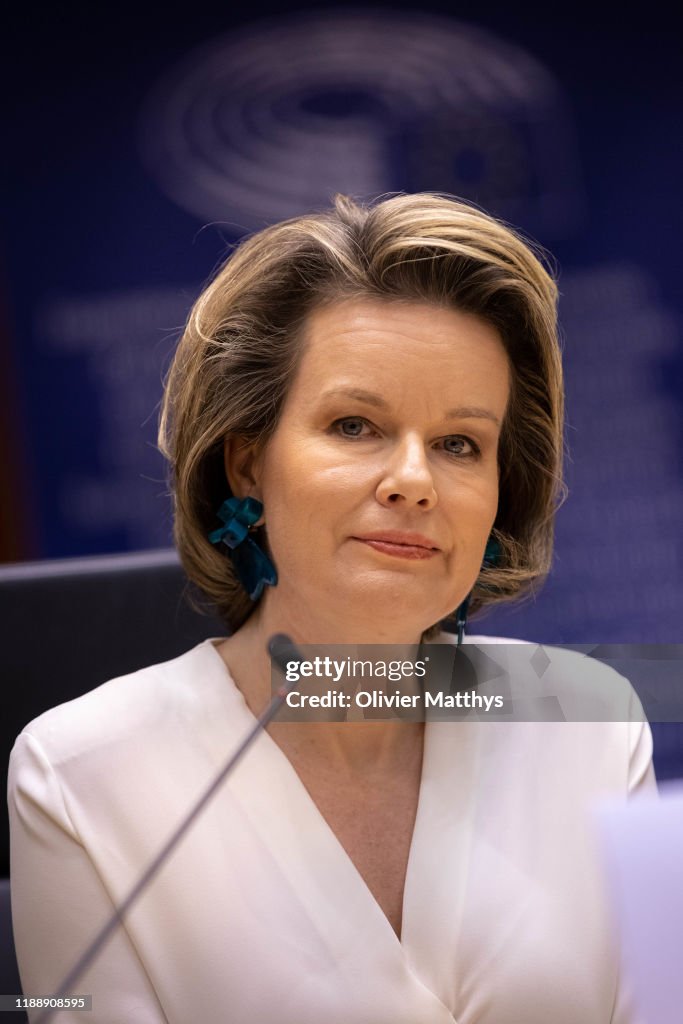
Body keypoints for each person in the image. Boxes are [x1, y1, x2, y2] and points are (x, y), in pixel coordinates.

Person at [8, 193, 655, 1023]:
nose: (414, 480)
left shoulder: (595, 723)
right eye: (354, 426)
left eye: (460, 444)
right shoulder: (79, 774)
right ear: (247, 465)